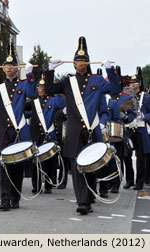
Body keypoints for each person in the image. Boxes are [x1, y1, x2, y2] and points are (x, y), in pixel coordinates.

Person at [45, 36, 121, 215]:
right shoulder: (67, 81)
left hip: (92, 128)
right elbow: (48, 90)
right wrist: (49, 70)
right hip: (74, 131)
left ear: (87, 63)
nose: (81, 63)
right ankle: (82, 202)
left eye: (84, 60)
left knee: (92, 165)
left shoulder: (97, 80)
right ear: (73, 63)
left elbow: (116, 91)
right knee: (77, 166)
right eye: (78, 60)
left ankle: (89, 195)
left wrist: (110, 71)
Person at [0, 43, 37, 211]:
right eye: (6, 66)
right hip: (3, 132)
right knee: (4, 166)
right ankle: (5, 200)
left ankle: (16, 197)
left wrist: (30, 75)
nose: (9, 68)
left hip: (19, 130)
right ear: (4, 68)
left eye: (12, 65)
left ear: (17, 68)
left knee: (17, 166)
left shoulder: (23, 84)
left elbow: (33, 94)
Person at [26, 72, 65, 194]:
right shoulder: (33, 102)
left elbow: (60, 104)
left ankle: (48, 185)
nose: (41, 89)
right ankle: (36, 185)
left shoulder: (53, 100)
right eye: (39, 87)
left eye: (43, 87)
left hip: (49, 134)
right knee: (35, 162)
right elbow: (21, 108)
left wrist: (57, 89)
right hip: (36, 134)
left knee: (49, 161)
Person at [124, 67, 150, 190]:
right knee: (127, 154)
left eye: (134, 83)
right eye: (131, 83)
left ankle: (140, 181)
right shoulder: (127, 97)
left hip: (141, 129)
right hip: (130, 128)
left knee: (141, 156)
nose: (132, 85)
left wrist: (145, 116)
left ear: (139, 84)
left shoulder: (146, 97)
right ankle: (129, 180)